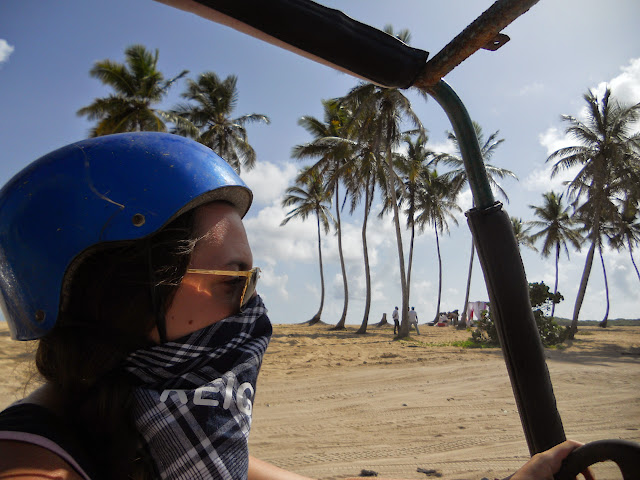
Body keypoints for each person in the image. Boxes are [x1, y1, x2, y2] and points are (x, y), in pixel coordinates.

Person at [0, 133, 592, 480]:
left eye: (251, 281)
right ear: (125, 298)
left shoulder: (159, 433)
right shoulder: (30, 465)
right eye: (233, 281)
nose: (252, 310)